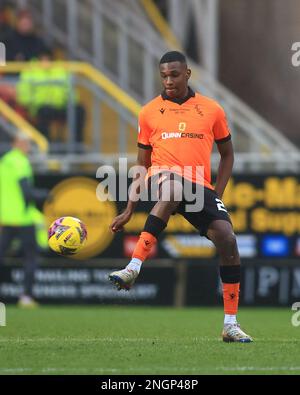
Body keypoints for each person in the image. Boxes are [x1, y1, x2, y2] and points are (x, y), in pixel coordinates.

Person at [108, 51, 253, 343]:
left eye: (174, 75)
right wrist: (129, 208)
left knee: (227, 239)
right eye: (163, 76)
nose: (169, 81)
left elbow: (227, 155)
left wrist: (216, 193)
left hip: (199, 187)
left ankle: (230, 324)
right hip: (164, 178)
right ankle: (134, 266)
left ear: (187, 74)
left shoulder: (212, 110)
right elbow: (142, 164)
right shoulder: (149, 112)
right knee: (173, 187)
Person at [0, 134, 48, 307]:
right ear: (16, 143)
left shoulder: (5, 161)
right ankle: (26, 297)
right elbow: (26, 192)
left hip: (6, 217)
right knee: (30, 257)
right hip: (23, 217)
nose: (27, 147)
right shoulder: (21, 161)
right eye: (25, 143)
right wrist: (45, 195)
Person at [16, 52, 86, 150]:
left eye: (48, 58)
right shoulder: (30, 70)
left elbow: (71, 93)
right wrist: (33, 104)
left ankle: (77, 147)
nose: (46, 61)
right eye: (43, 58)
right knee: (44, 113)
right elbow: (24, 96)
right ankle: (47, 148)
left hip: (60, 106)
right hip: (38, 108)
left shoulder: (60, 69)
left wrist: (70, 101)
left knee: (79, 110)